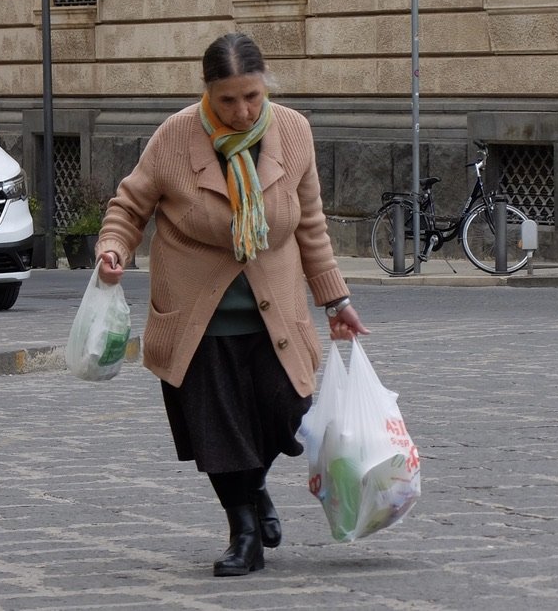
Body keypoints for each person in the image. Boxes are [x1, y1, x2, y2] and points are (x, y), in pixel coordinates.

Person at [95, 32, 369, 577]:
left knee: (287, 409)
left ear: (265, 86)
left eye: (252, 96)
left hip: (278, 315)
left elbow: (310, 222)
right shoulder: (175, 137)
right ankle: (242, 528)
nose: (243, 111)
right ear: (207, 93)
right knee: (219, 432)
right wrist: (111, 248)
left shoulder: (293, 131)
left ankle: (256, 483)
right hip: (199, 319)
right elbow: (129, 205)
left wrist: (336, 300)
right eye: (228, 100)